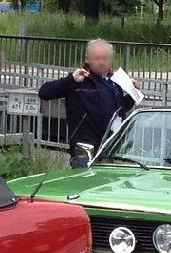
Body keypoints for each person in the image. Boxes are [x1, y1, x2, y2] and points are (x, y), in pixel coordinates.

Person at [39, 39, 136, 168]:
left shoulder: (114, 82)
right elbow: (44, 92)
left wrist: (133, 94)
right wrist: (70, 79)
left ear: (111, 59)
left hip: (108, 148)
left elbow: (119, 110)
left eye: (105, 58)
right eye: (97, 58)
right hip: (84, 151)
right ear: (87, 59)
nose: (101, 62)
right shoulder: (79, 81)